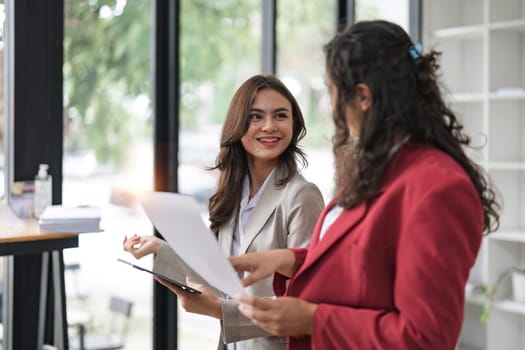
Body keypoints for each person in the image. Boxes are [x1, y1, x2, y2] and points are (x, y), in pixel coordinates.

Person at [229, 20, 501, 350]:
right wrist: (286, 260)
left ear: (362, 96)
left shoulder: (438, 188)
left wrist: (312, 319)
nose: (330, 106)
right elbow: (364, 261)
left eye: (331, 91)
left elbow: (425, 338)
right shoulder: (380, 164)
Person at [123, 74, 325, 349]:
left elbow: (303, 305)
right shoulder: (231, 195)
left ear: (294, 124)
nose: (269, 126)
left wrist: (220, 311)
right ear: (237, 125)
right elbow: (218, 273)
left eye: (280, 116)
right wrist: (158, 248)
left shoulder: (302, 195)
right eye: (255, 117)